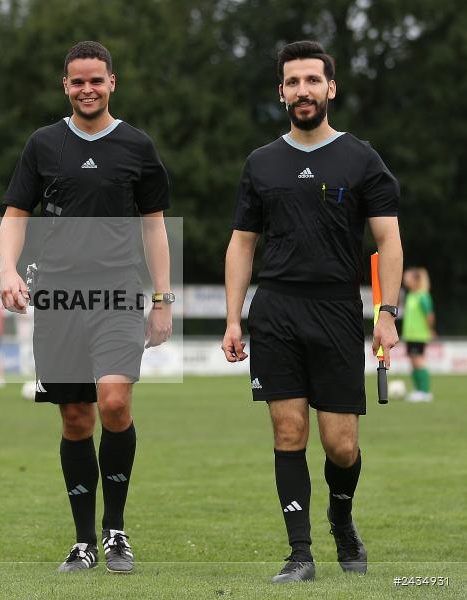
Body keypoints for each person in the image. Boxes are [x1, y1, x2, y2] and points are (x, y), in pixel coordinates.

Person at [222, 41, 402, 583]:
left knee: (341, 446)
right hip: (276, 310)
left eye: (312, 80)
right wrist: (233, 318)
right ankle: (300, 554)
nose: (303, 90)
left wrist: (387, 313)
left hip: (337, 309)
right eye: (293, 82)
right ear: (281, 92)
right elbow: (241, 244)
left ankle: (341, 519)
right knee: (288, 431)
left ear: (331, 88)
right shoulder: (261, 163)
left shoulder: (361, 159)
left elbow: (388, 241)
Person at [0, 41, 172, 574]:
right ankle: (82, 543)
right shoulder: (43, 144)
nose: (87, 89)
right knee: (76, 418)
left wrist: (162, 298)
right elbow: (15, 214)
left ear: (112, 82)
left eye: (96, 80)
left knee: (114, 402)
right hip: (57, 297)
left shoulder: (137, 146)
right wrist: (7, 269)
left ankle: (115, 530)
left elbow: (154, 227)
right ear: (66, 86)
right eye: (78, 81)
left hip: (118, 292)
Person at [402, 267, 435, 402]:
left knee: (418, 361)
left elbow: (429, 315)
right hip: (410, 335)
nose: (405, 280)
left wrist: (430, 330)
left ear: (416, 280)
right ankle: (418, 390)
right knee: (413, 362)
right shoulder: (411, 295)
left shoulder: (423, 296)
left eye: (408, 278)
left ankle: (425, 392)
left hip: (419, 335)